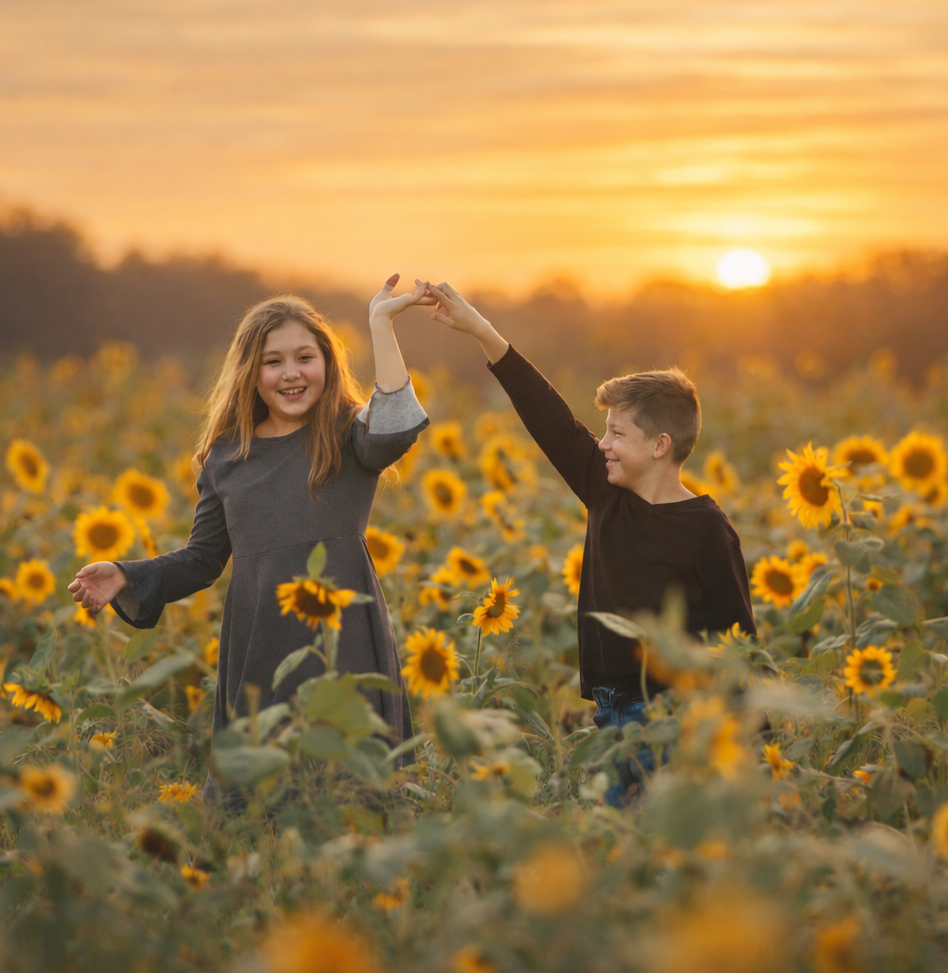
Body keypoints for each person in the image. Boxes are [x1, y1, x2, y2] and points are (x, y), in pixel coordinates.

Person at [68, 279, 432, 786]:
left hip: (344, 640)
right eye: (273, 361)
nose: (291, 374)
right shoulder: (226, 456)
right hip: (263, 646)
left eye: (305, 357)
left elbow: (395, 428)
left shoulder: (349, 432)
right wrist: (127, 575)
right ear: (251, 374)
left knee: (352, 787)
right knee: (265, 799)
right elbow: (203, 558)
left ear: (327, 363)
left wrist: (380, 324)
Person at [419, 279, 755, 805]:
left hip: (673, 720)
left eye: (618, 433)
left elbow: (737, 639)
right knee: (619, 840)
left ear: (661, 445)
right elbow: (548, 416)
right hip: (611, 709)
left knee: (651, 844)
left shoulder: (706, 528)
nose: (603, 444)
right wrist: (483, 332)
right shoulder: (606, 493)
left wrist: (752, 750)